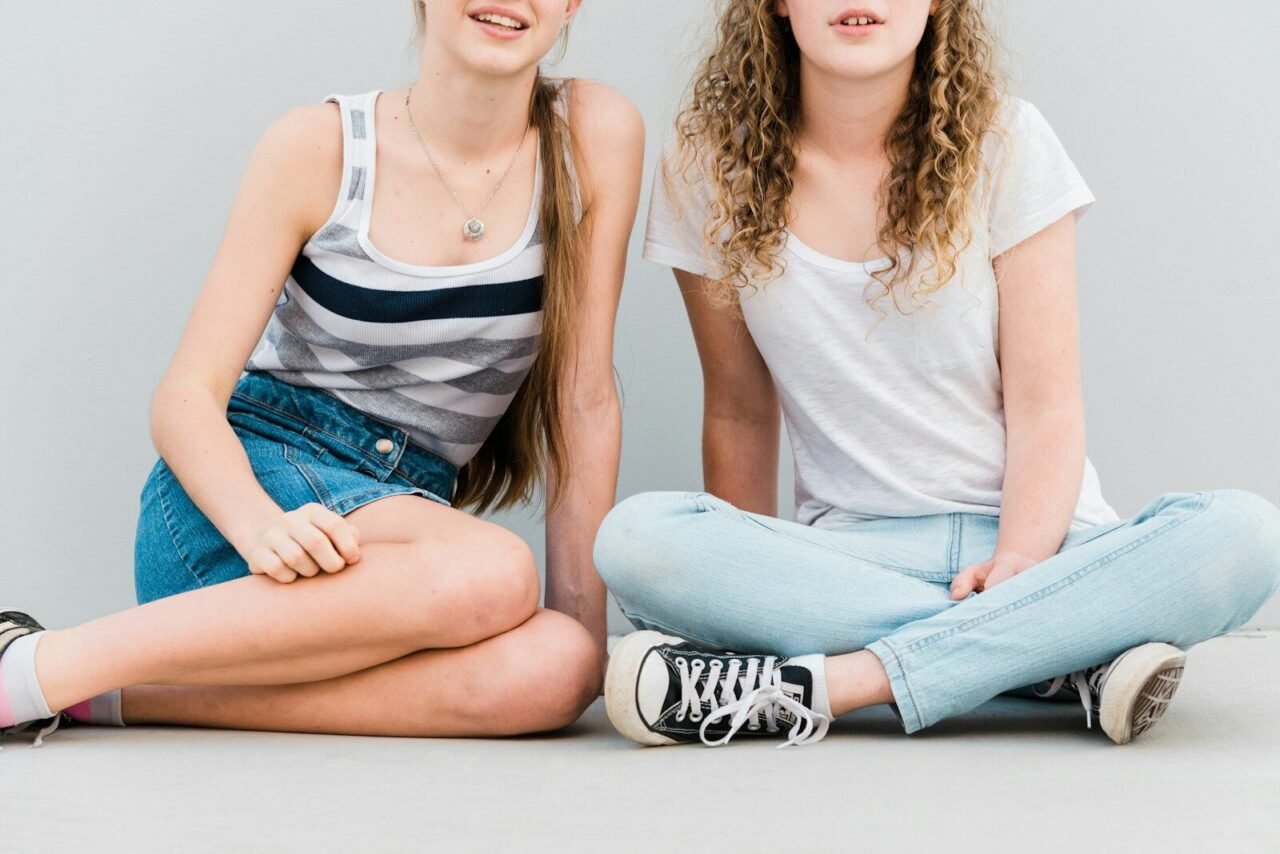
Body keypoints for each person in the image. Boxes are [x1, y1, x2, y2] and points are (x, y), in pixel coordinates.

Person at [594, 0, 1280, 748]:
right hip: (855, 554)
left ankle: (834, 683)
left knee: (1246, 534)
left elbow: (1045, 405)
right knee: (637, 543)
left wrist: (1019, 560)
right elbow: (737, 412)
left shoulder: (1006, 141)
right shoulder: (706, 164)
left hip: (1044, 543)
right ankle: (1062, 657)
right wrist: (741, 599)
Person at [0, 0, 643, 745]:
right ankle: (34, 664)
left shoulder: (593, 137)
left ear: (571, 5)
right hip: (244, 502)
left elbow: (582, 398)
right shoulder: (321, 147)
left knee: (558, 668)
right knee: (495, 571)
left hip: (390, 555)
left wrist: (587, 640)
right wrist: (257, 525)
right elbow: (185, 397)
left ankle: (109, 695)